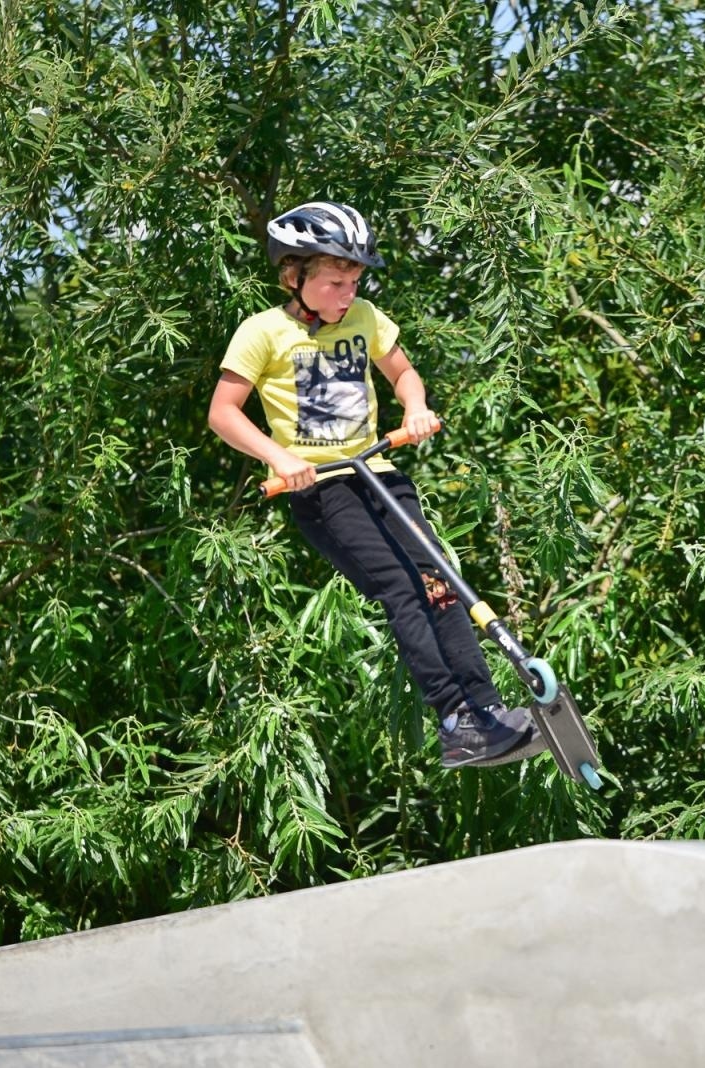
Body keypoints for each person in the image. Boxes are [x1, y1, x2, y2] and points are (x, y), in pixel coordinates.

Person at [207, 201, 544, 768]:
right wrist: (277, 456)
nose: (348, 293)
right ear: (295, 276)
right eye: (336, 282)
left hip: (378, 471)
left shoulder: (365, 318)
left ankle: (487, 710)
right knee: (401, 587)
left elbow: (404, 374)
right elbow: (224, 413)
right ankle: (455, 720)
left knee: (441, 580)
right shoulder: (261, 333)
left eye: (354, 281)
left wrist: (415, 407)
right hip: (320, 487)